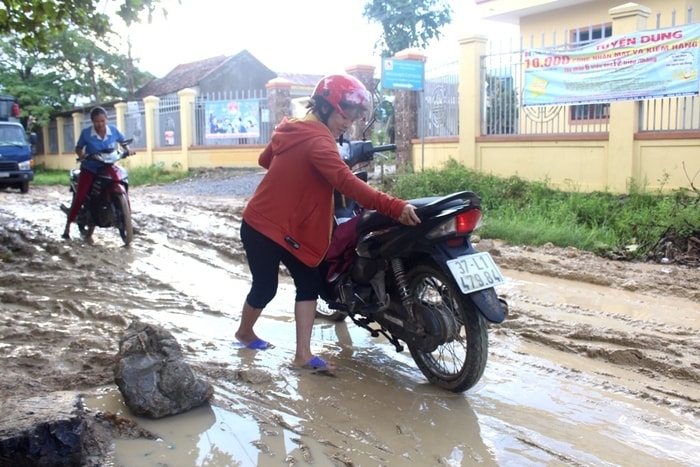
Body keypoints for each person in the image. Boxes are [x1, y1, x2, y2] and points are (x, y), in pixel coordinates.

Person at [235, 74, 421, 372]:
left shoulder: (289, 127)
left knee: (309, 282)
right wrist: (395, 207)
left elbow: (265, 158)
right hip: (263, 226)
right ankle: (244, 333)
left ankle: (303, 355)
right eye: (343, 114)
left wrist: (297, 176)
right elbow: (348, 184)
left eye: (354, 117)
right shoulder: (320, 142)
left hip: (292, 227)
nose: (347, 122)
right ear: (324, 107)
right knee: (265, 287)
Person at [62, 106, 134, 239]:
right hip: (90, 168)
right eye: (96, 121)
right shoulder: (86, 134)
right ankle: (67, 227)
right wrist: (83, 155)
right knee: (80, 196)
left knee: (123, 184)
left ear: (106, 119)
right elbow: (78, 148)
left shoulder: (113, 130)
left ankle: (128, 219)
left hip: (108, 166)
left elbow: (123, 142)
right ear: (92, 121)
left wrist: (128, 150)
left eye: (102, 121)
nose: (100, 124)